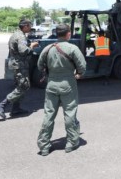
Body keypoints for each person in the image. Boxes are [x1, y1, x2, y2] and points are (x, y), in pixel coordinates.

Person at [37, 24, 86, 156]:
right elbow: (82, 66)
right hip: (68, 83)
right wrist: (79, 74)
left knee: (49, 114)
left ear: (56, 34)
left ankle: (44, 146)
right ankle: (71, 143)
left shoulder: (48, 48)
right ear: (68, 34)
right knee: (70, 113)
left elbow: (39, 65)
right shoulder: (72, 48)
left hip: (51, 84)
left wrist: (49, 72)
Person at [0, 19, 39, 120]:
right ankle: (1, 105)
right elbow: (23, 51)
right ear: (25, 26)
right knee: (24, 86)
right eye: (30, 26)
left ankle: (16, 108)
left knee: (20, 85)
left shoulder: (16, 34)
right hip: (20, 64)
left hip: (17, 64)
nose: (30, 28)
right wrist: (32, 46)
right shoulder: (20, 36)